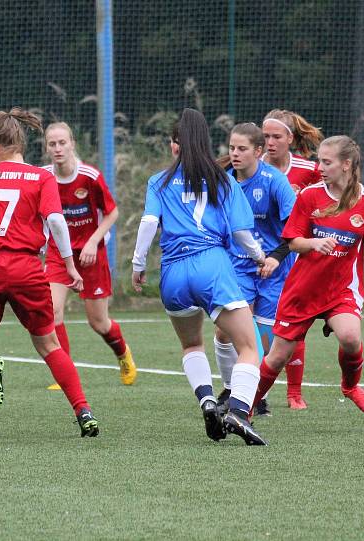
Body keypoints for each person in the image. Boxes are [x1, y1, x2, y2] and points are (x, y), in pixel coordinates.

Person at [0, 107, 99, 437]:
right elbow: (56, 222)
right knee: (49, 345)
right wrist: (69, 264)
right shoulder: (42, 177)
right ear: (20, 141)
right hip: (26, 268)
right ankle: (83, 410)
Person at [131, 108, 268, 445]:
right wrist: (260, 256)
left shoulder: (159, 181)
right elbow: (241, 234)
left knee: (192, 344)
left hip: (174, 272)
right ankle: (236, 409)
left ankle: (207, 399)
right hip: (212, 265)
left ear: (175, 145)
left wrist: (137, 265)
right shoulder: (224, 180)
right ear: (207, 141)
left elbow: (149, 222)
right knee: (250, 347)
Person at [253, 135, 364, 415]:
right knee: (278, 356)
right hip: (303, 289)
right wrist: (313, 243)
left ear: (346, 164)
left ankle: (350, 388)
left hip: (341, 289)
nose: (320, 167)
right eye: (319, 161)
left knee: (351, 338)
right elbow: (292, 241)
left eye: (327, 162)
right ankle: (247, 405)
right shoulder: (309, 195)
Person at [42, 122, 136, 385]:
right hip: (59, 254)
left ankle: (122, 352)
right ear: (46, 148)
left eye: (62, 143)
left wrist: (93, 242)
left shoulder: (89, 177)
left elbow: (112, 212)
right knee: (53, 312)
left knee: (99, 323)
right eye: (52, 144)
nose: (58, 148)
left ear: (72, 144)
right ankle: (65, 373)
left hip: (91, 256)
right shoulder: (43, 177)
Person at [212, 123, 296, 414]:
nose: (235, 154)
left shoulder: (274, 182)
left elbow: (294, 229)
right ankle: (238, 392)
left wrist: (273, 258)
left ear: (258, 152)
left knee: (263, 339)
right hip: (237, 267)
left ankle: (252, 397)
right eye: (232, 148)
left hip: (275, 269)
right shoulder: (222, 182)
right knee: (226, 333)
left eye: (242, 149)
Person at [260, 108, 324, 411]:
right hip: (258, 259)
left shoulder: (307, 170)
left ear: (290, 138)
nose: (269, 142)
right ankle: (256, 389)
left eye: (276, 137)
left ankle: (294, 393)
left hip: (295, 258)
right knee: (260, 326)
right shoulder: (250, 167)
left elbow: (329, 196)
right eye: (265, 137)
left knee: (293, 325)